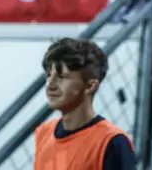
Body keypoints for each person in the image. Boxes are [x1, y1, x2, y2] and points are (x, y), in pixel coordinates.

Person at [35, 38, 136, 170]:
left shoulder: (112, 142)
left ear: (90, 86)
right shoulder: (44, 133)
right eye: (49, 75)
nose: (50, 85)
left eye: (62, 77)